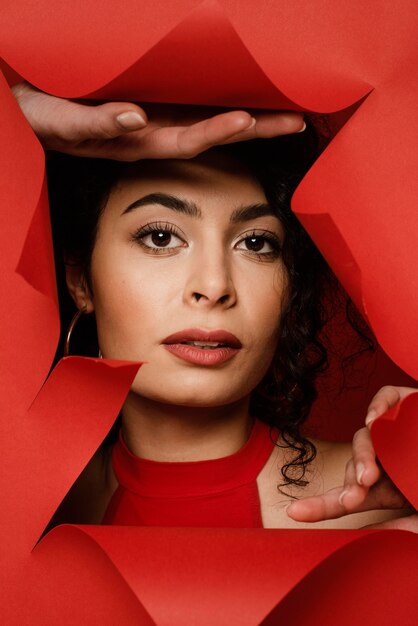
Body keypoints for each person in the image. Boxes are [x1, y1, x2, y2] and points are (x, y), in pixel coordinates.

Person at [13, 82, 417, 530]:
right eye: (161, 237)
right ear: (80, 280)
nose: (214, 285)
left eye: (256, 243)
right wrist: (15, 115)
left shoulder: (379, 508)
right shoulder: (21, 512)